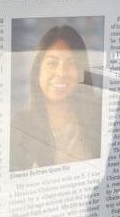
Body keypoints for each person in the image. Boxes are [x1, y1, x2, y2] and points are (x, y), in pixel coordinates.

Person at [10, 24, 102, 170]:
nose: (61, 73)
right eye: (52, 63)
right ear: (37, 71)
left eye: (71, 63)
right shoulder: (20, 126)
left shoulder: (97, 117)